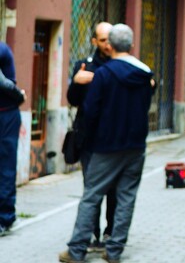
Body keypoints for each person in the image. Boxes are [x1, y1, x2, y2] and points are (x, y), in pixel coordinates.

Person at [59, 24, 154, 263]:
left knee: (91, 196)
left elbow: (90, 111)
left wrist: (88, 141)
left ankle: (76, 250)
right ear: (131, 45)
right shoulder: (145, 74)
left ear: (110, 45)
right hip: (135, 147)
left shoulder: (103, 74)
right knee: (126, 198)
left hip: (105, 147)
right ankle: (114, 251)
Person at [67, 21, 117, 250]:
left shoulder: (122, 64)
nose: (108, 44)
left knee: (114, 190)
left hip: (115, 139)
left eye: (111, 39)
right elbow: (73, 99)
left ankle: (109, 233)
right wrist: (77, 83)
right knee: (92, 189)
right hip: (89, 139)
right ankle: (91, 233)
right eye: (103, 39)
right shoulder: (84, 66)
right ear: (95, 41)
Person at [0, 41, 26, 237]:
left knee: (5, 166)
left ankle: (5, 217)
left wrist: (18, 96)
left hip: (6, 114)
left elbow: (2, 82)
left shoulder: (1, 48)